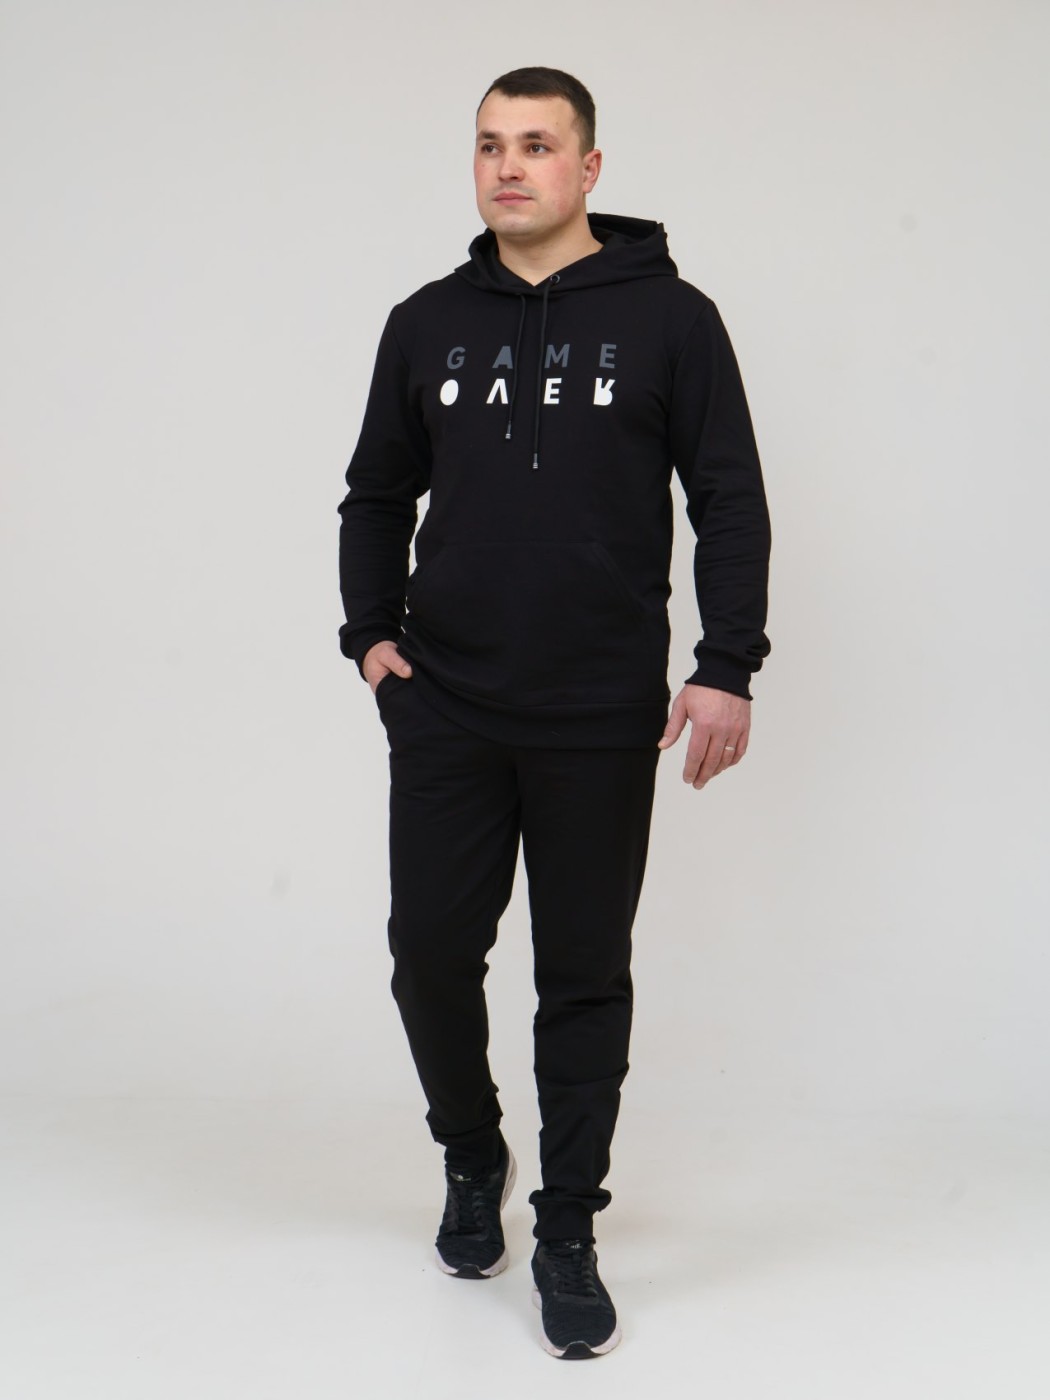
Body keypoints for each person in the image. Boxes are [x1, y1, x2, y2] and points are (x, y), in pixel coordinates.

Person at [337, 66, 771, 1359]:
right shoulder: (425, 321)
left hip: (598, 708)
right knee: (428, 953)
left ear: (588, 168)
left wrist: (726, 664)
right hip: (449, 701)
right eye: (489, 145)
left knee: (581, 976)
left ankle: (568, 1225)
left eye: (536, 145)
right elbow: (375, 493)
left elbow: (728, 499)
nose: (509, 166)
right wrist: (369, 636)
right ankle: (472, 1155)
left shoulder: (673, 320)